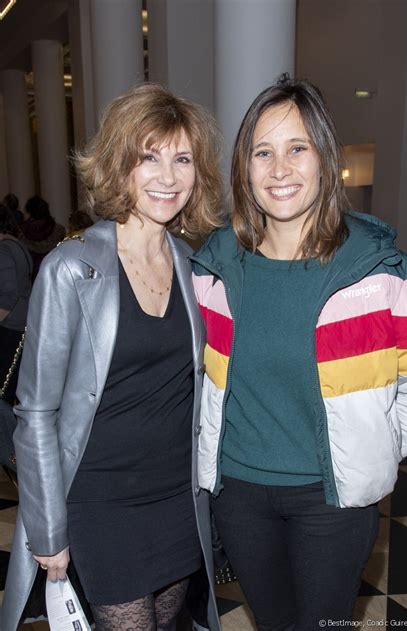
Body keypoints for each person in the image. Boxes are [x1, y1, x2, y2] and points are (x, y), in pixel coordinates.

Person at [192, 75, 407, 631]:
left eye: (298, 148)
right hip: (238, 495)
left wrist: (372, 441)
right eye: (261, 152)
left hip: (332, 502)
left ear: (325, 158)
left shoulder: (378, 269)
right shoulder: (213, 267)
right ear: (243, 168)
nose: (279, 169)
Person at [1, 83, 222, 631]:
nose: (167, 176)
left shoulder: (196, 267)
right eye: (149, 156)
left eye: (182, 159)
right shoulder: (71, 270)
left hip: (176, 497)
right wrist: (48, 528)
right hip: (102, 503)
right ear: (119, 165)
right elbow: (35, 413)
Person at [0, 203, 32, 405]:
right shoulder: (16, 243)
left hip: (12, 326)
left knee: (6, 389)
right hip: (23, 323)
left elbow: (8, 295)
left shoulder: (3, 249)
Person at [20, 195, 66, 280]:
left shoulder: (21, 232)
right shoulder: (59, 230)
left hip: (30, 277)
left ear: (30, 212)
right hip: (55, 274)